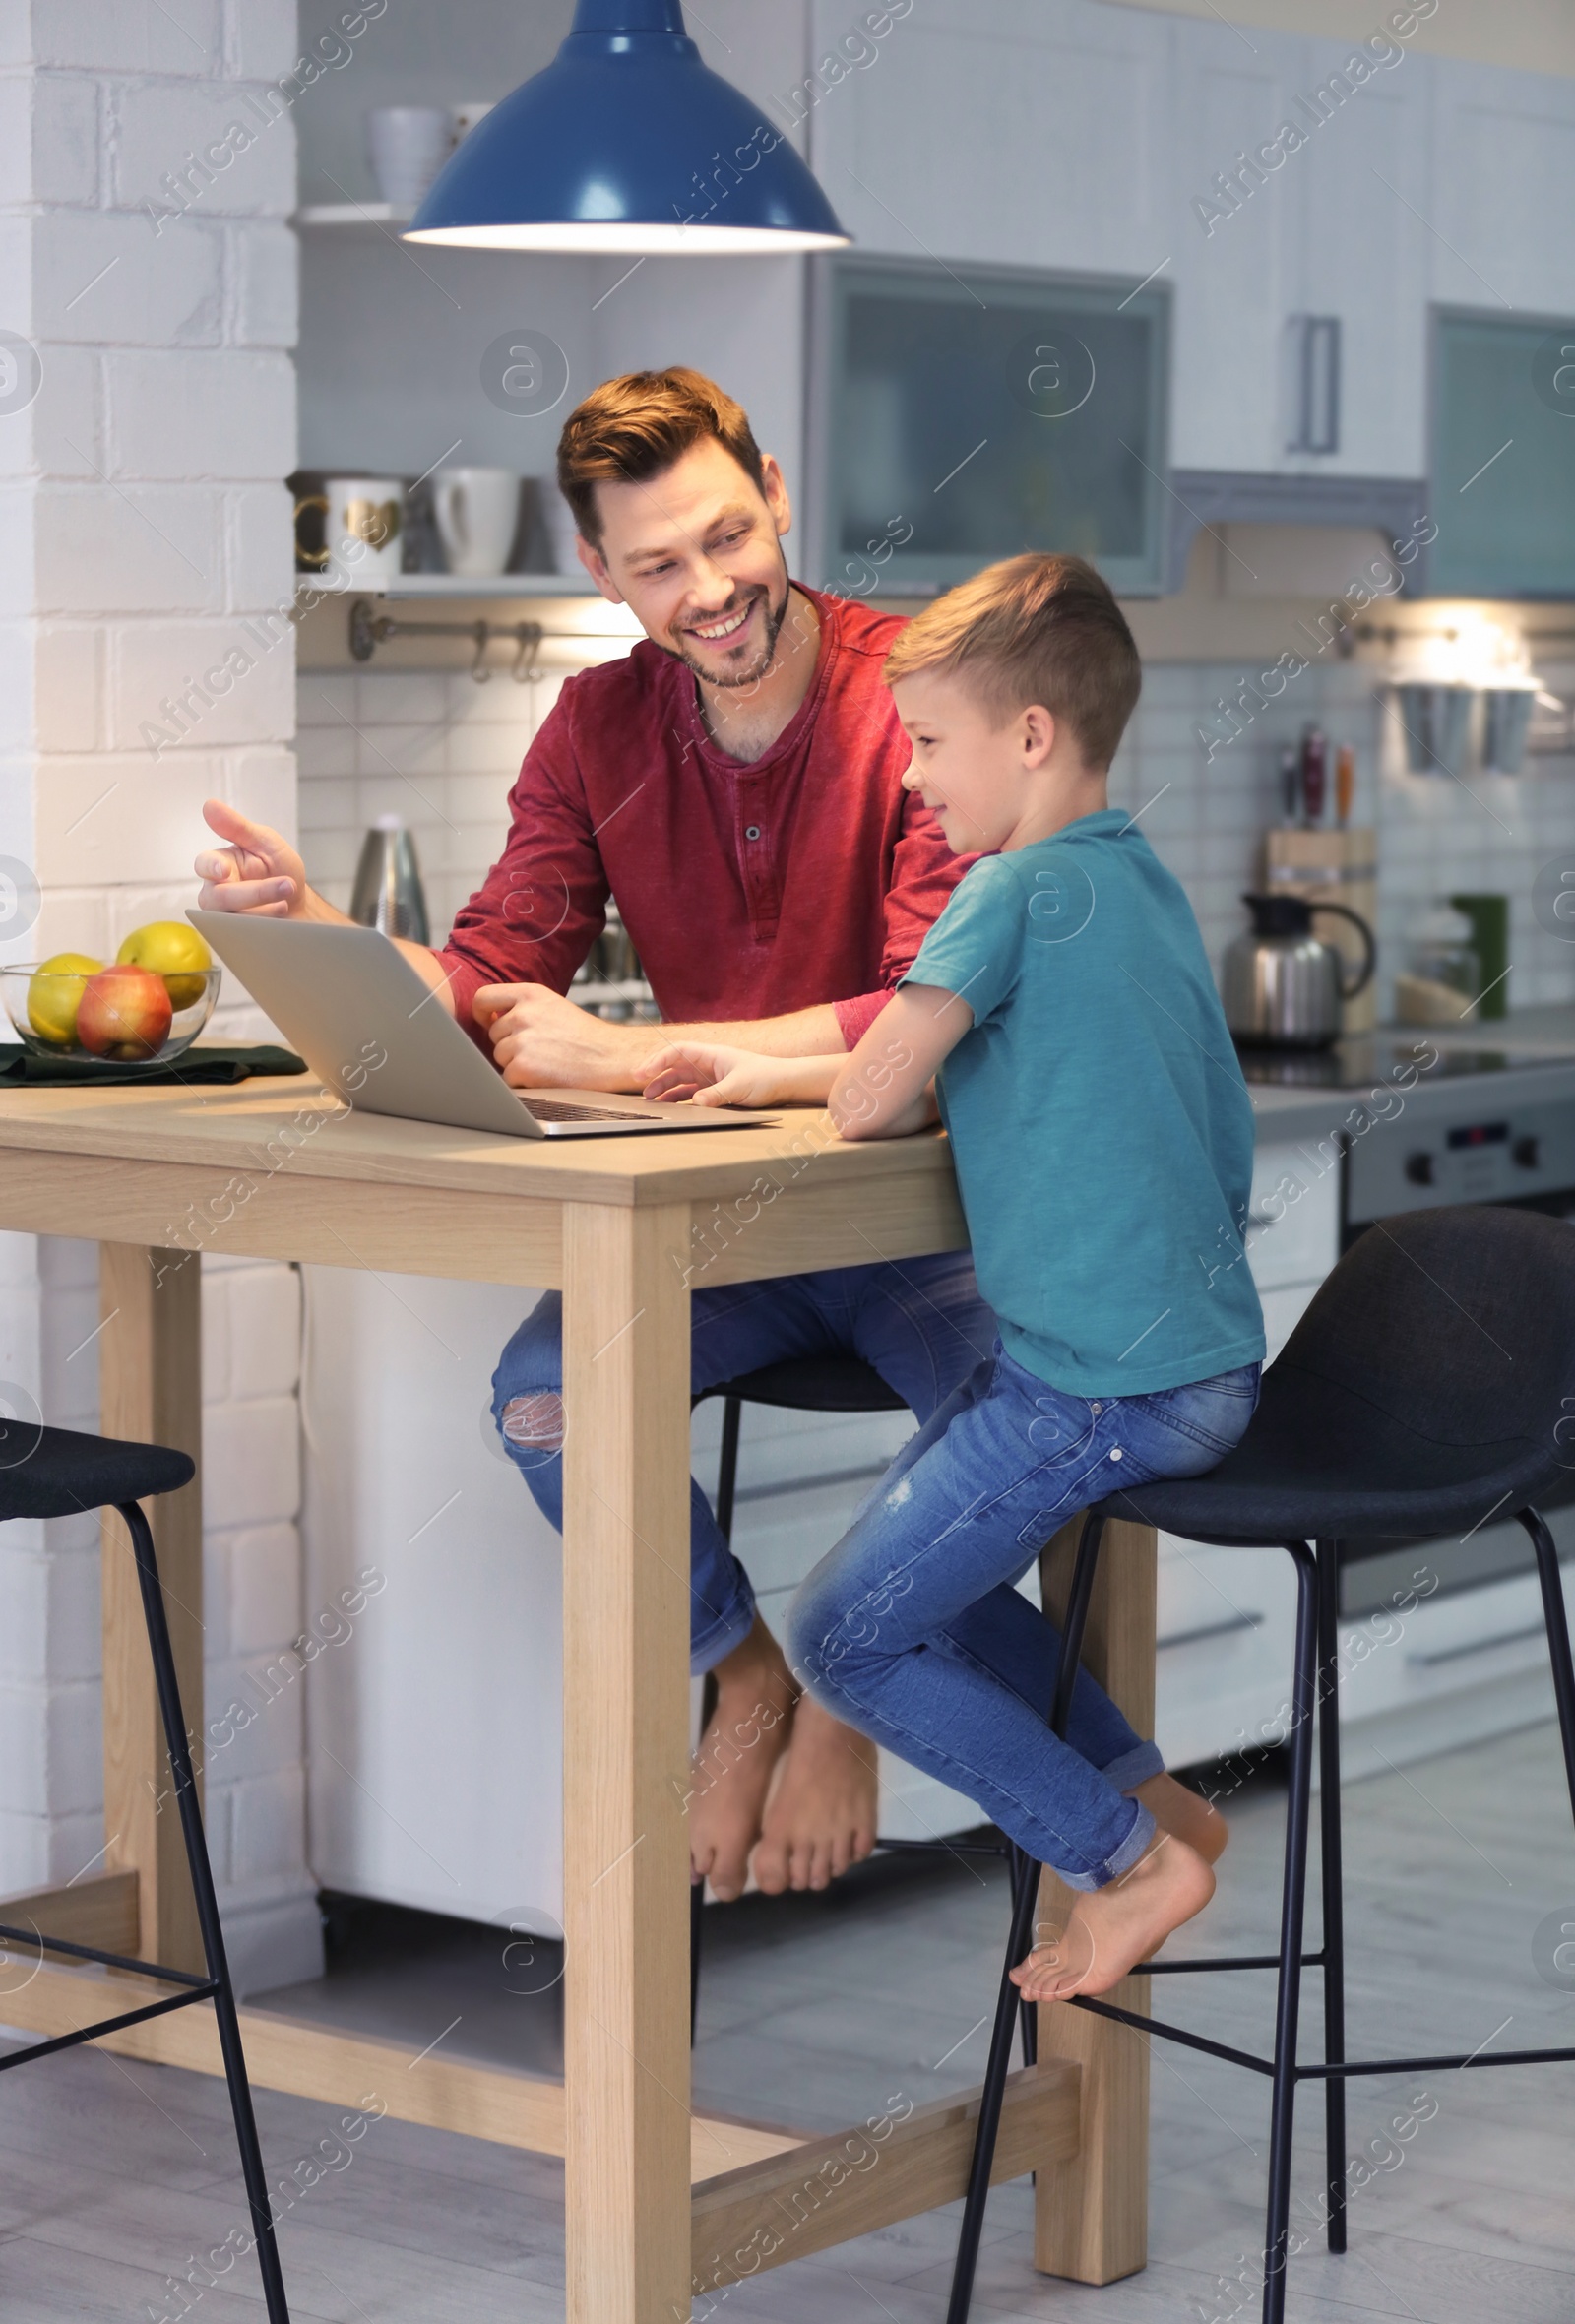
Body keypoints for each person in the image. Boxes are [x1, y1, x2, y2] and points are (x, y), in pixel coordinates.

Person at [195, 365, 994, 1907]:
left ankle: (847, 1683)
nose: (710, 592)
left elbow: (917, 1018)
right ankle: (742, 1670)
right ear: (599, 573)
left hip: (923, 1210)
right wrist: (322, 935)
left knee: (1018, 1399)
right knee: (542, 1392)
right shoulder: (596, 720)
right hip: (732, 1227)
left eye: (726, 535)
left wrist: (636, 1059)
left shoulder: (917, 694)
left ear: (772, 482)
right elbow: (499, 964)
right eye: (657, 566)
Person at [639, 552, 1265, 1997]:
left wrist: (782, 1077)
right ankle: (1143, 1795)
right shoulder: (1140, 881)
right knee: (928, 1554)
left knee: (843, 1634)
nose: (914, 779)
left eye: (927, 742)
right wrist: (755, 1067)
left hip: (1097, 1389)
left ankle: (1120, 1857)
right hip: (1206, 1370)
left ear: (1029, 736)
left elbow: (872, 1100)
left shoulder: (1000, 893)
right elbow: (1189, 1125)